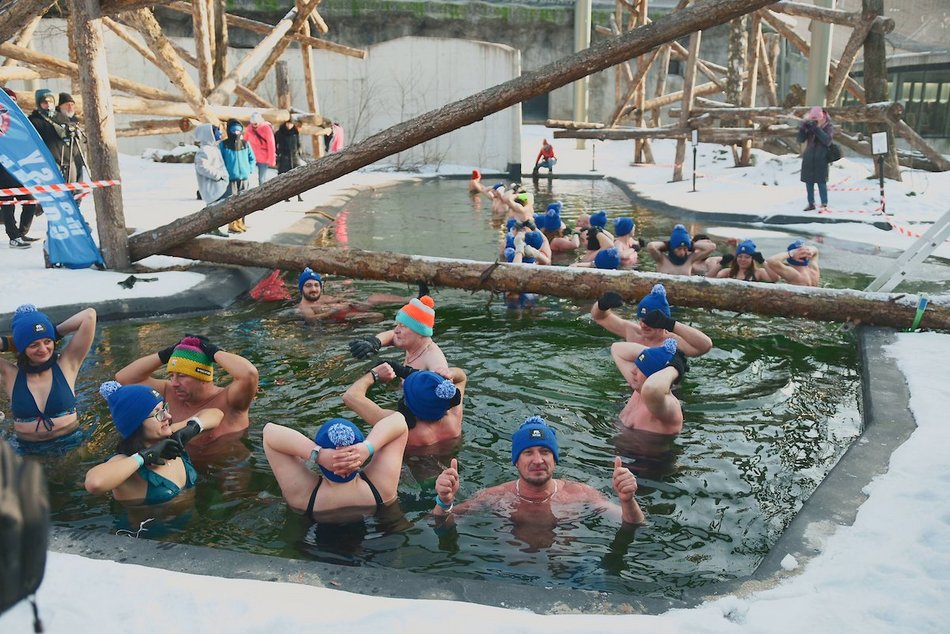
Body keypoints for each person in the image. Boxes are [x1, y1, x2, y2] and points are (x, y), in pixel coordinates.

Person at [432, 416, 645, 533]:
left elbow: (635, 525)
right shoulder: (495, 496)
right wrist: (444, 501)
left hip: (568, 574)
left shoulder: (580, 493)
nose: (538, 460)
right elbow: (440, 525)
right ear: (516, 460)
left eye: (545, 452)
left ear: (555, 459)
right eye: (528, 453)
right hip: (508, 573)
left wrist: (627, 500)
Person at [114, 335, 259, 460]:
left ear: (203, 377)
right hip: (183, 467)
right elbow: (124, 379)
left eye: (182, 376)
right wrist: (168, 353)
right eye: (172, 375)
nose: (174, 383)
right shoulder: (168, 391)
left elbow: (249, 374)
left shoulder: (230, 400)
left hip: (227, 467)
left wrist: (212, 351)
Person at [84, 381, 223, 505]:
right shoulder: (124, 462)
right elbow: (94, 483)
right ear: (136, 424)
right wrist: (143, 457)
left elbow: (216, 414)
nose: (168, 416)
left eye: (165, 409)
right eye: (158, 413)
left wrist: (192, 428)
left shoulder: (171, 437)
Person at [262, 414, 408, 522]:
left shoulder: (304, 496)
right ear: (360, 458)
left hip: (315, 550)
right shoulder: (381, 488)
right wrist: (367, 447)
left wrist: (318, 454)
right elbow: (399, 420)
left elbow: (269, 432)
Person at [0, 304, 97, 444]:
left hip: (71, 445)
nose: (43, 349)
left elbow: (89, 315)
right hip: (27, 450)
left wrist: (52, 332)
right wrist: (11, 342)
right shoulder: (10, 374)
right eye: (34, 345)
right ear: (22, 348)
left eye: (47, 341)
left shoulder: (67, 364)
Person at [343, 364, 466, 449]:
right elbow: (462, 378)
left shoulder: (400, 426)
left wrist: (374, 374)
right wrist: (450, 373)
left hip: (412, 471)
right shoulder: (454, 416)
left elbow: (350, 396)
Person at [590, 283, 713, 357]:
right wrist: (602, 305)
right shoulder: (633, 332)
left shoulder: (672, 342)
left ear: (662, 321)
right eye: (641, 319)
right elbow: (600, 317)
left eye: (650, 321)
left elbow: (705, 346)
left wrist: (671, 324)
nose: (643, 325)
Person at [348, 295, 448, 370]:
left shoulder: (433, 359)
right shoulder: (413, 344)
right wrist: (375, 342)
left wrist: (401, 371)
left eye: (403, 326)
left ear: (420, 332)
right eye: (398, 324)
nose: (396, 330)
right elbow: (391, 335)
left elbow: (445, 390)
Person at [610, 338, 688, 435]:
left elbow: (651, 388)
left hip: (646, 449)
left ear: (654, 375)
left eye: (641, 368)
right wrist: (659, 353)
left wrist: (676, 367)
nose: (633, 371)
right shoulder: (639, 388)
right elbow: (617, 349)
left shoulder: (667, 407)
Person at [296, 267, 406, 322]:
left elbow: (337, 299)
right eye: (308, 286)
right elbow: (313, 319)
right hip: (340, 317)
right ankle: (395, 320)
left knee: (374, 298)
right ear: (301, 289)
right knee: (377, 316)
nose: (314, 289)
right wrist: (333, 311)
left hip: (348, 308)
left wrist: (349, 299)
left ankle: (409, 299)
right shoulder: (304, 307)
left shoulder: (322, 297)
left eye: (316, 285)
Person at [193, 123, 230, 237]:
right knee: (213, 209)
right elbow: (202, 167)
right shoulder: (204, 150)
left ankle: (214, 227)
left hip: (219, 185)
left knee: (218, 209)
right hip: (212, 186)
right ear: (209, 134)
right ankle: (211, 227)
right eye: (217, 131)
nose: (220, 133)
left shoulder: (213, 148)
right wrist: (218, 175)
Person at [219, 118, 255, 233]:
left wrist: (249, 169)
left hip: (244, 178)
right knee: (231, 202)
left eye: (238, 131)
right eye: (234, 131)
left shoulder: (245, 144)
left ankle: (241, 222)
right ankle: (232, 224)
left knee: (244, 202)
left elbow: (252, 158)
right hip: (230, 179)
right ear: (229, 131)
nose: (236, 134)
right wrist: (224, 173)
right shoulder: (224, 145)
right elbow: (220, 161)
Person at [798, 106, 834, 211]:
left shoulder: (828, 127)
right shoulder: (809, 125)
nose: (814, 121)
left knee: (821, 182)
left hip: (821, 158)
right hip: (809, 157)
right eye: (812, 119)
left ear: (822, 117)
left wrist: (816, 129)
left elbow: (827, 141)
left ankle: (824, 204)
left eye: (816, 119)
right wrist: (803, 128)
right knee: (808, 182)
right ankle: (811, 203)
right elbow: (800, 139)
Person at [646, 224, 716, 275]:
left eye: (685, 249)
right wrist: (667, 245)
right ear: (672, 247)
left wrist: (691, 244)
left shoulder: (690, 259)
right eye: (679, 249)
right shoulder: (661, 259)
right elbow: (651, 246)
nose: (682, 252)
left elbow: (712, 247)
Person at [52, 92, 86, 183]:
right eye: (67, 105)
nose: (70, 107)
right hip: (64, 158)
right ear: (60, 107)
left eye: (72, 105)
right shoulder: (56, 120)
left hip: (77, 156)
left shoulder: (75, 120)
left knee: (78, 182)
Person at [0, 162, 34, 249]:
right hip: (2, 182)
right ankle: (14, 237)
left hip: (16, 178)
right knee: (8, 209)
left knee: (30, 202)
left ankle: (21, 233)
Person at [710, 239, 776, 282]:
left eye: (747, 257)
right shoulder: (729, 272)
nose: (743, 260)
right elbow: (709, 277)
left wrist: (762, 262)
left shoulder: (758, 272)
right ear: (736, 258)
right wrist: (721, 263)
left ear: (752, 259)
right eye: (740, 256)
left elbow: (774, 279)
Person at [275, 117, 304, 202]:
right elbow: (275, 143)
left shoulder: (295, 132)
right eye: (288, 123)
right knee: (284, 177)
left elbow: (298, 144)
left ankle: (299, 195)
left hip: (294, 157)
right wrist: (278, 153)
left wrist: (299, 152)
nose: (289, 125)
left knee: (297, 177)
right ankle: (285, 196)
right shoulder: (280, 133)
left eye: (291, 124)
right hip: (284, 157)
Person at [245, 112, 276, 188]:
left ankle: (263, 194)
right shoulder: (249, 128)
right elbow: (245, 142)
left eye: (256, 124)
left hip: (263, 157)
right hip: (252, 156)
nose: (254, 126)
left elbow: (271, 144)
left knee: (261, 178)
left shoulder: (266, 128)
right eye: (253, 124)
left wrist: (272, 159)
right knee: (247, 177)